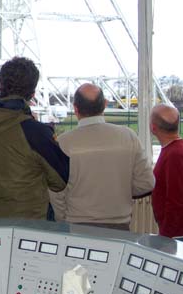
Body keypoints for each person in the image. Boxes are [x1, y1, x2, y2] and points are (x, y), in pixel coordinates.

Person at [0, 56, 69, 218]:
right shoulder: (34, 132)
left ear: (0, 85)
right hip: (26, 224)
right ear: (32, 92)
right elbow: (60, 181)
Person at [50, 83, 154, 231]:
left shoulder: (63, 143)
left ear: (75, 108)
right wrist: (120, 191)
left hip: (76, 226)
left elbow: (56, 191)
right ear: (104, 105)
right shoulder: (128, 136)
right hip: (119, 226)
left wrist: (63, 220)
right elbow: (146, 183)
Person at [150, 103, 183, 238]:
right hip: (182, 231)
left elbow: (175, 201)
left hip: (181, 234)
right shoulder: (180, 150)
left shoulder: (175, 155)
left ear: (153, 128)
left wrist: (165, 236)